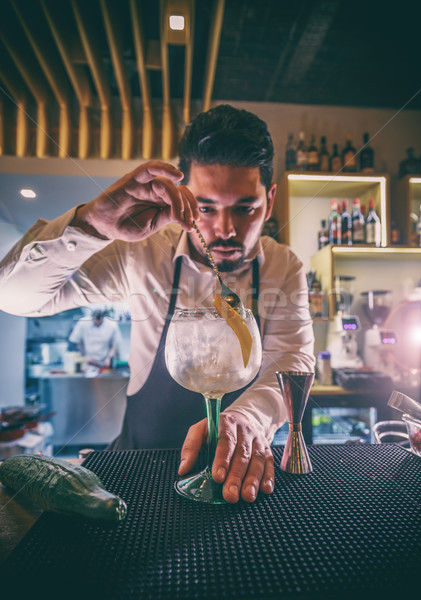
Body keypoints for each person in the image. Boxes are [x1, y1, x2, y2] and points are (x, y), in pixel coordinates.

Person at [0, 104, 315, 503]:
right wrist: (92, 224)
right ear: (185, 199)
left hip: (242, 469)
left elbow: (292, 360)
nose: (225, 229)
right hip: (139, 470)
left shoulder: (284, 266)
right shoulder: (141, 253)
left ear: (269, 201)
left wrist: (249, 417)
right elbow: (13, 296)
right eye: (206, 208)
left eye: (245, 208)